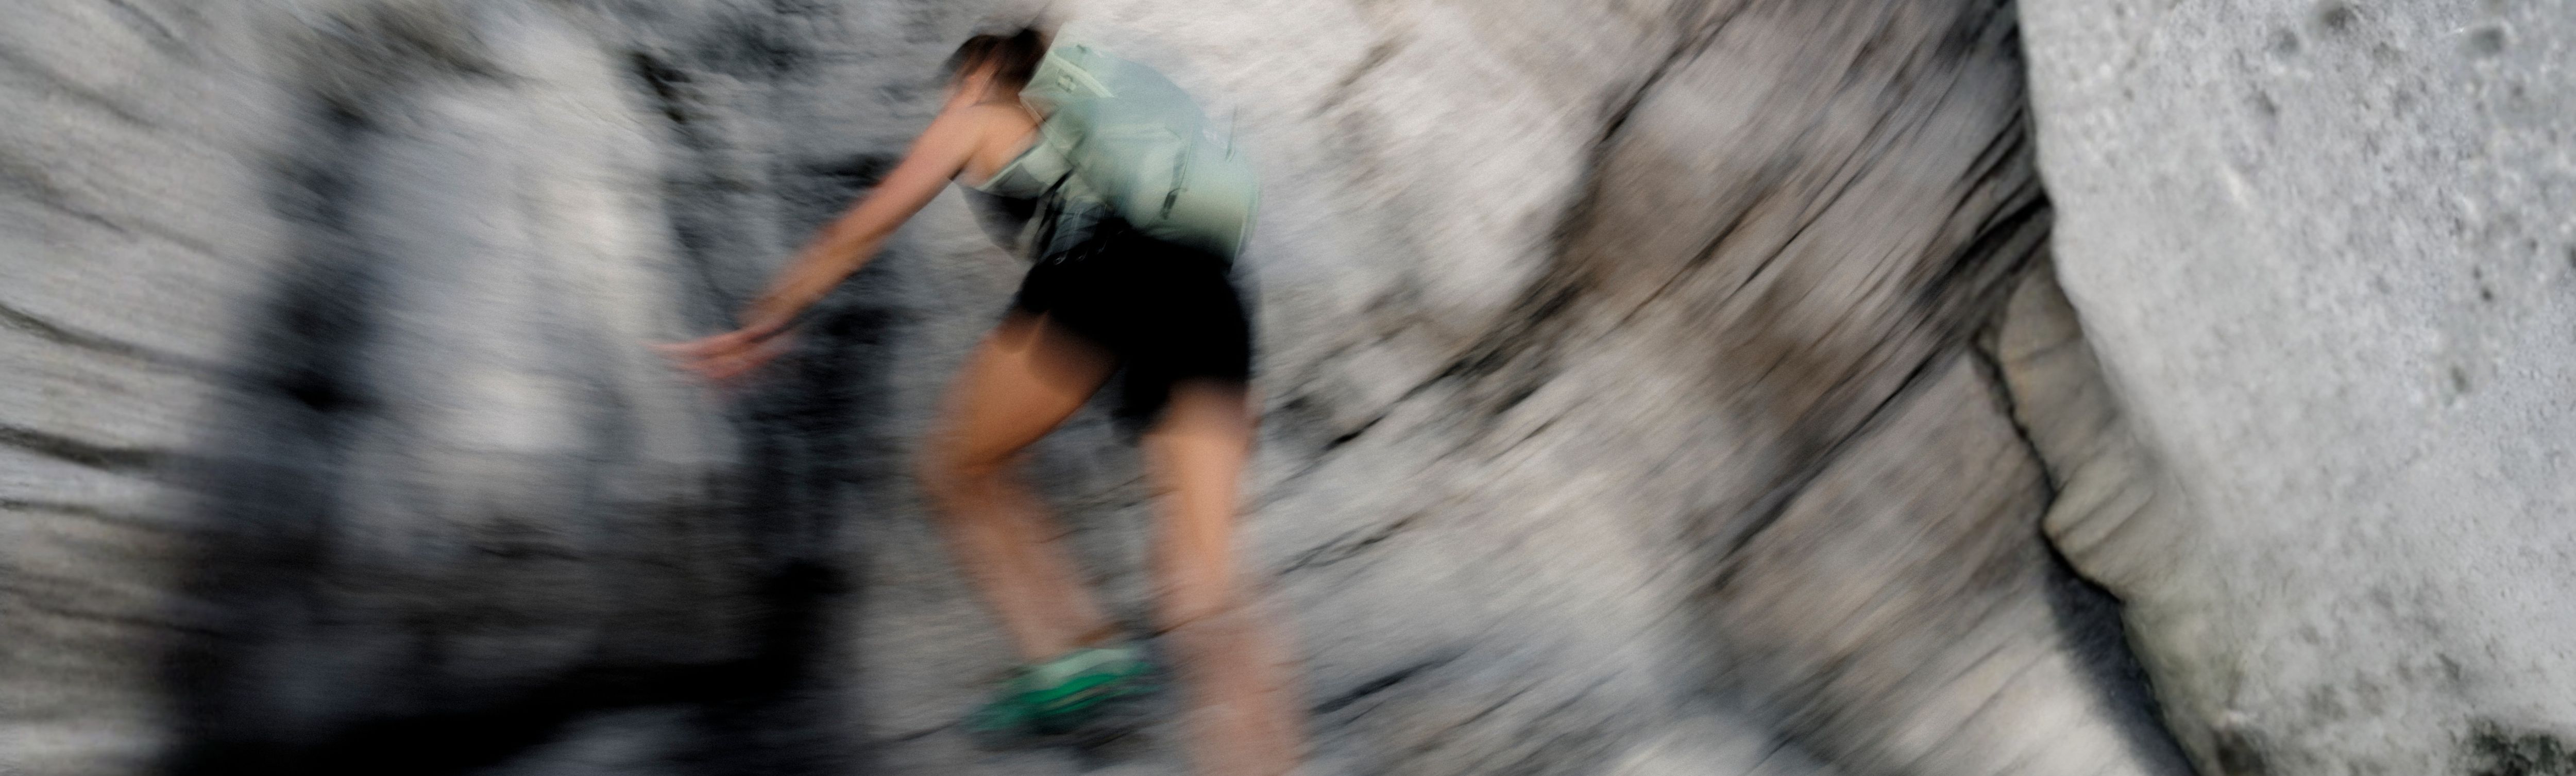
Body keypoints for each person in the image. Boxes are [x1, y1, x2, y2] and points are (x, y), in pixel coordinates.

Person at [660, 26, 1306, 776]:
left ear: (978, 73)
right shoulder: (1106, 114)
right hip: (1211, 293)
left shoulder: (981, 107)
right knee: (1206, 587)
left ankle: (1074, 652)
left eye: (952, 88)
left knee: (957, 467)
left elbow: (856, 231)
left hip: (1101, 278)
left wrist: (758, 321)